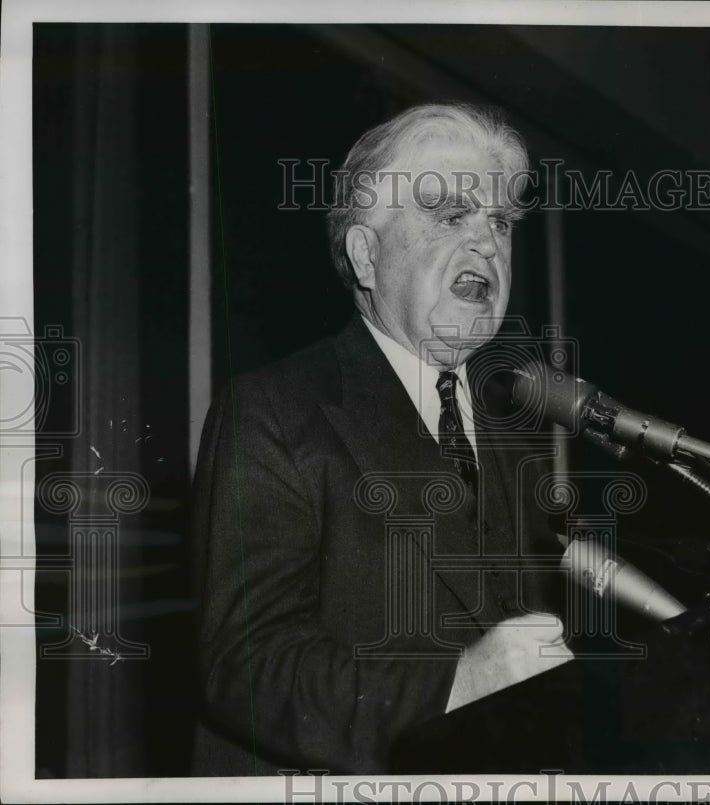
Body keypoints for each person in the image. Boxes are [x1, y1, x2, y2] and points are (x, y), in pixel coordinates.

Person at [191, 103, 572, 775]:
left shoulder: (517, 433)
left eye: (501, 221)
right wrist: (454, 684)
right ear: (367, 254)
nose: (487, 241)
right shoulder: (274, 410)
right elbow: (245, 665)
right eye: (452, 214)